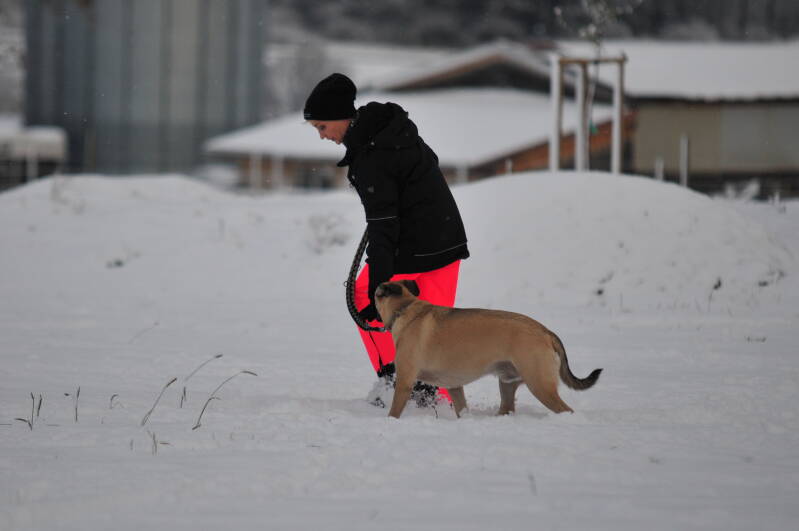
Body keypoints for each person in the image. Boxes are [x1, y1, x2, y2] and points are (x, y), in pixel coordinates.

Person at [304, 73, 469, 407]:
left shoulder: (370, 156)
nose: (323, 136)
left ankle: (400, 380)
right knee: (434, 324)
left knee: (365, 295)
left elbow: (383, 224)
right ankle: (424, 391)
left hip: (418, 245)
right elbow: (429, 165)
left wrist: (380, 280)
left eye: (322, 126)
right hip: (446, 238)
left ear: (340, 117)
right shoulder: (392, 130)